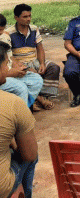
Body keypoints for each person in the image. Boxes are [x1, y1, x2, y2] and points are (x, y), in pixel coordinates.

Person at [0, 43, 38, 198]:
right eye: (6, 63)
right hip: (2, 187)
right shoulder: (13, 103)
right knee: (32, 157)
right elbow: (29, 155)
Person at [7, 4, 60, 110]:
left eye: (29, 16)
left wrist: (41, 63)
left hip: (33, 60)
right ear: (16, 18)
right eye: (25, 17)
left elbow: (40, 48)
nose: (29, 19)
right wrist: (24, 67)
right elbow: (9, 56)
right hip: (18, 63)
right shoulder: (9, 33)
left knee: (54, 68)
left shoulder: (34, 29)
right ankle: (39, 99)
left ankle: (42, 96)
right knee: (29, 74)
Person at [0, 14, 43, 109]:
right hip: (4, 76)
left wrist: (20, 66)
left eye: (2, 30)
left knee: (36, 79)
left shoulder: (3, 38)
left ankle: (26, 105)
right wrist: (10, 73)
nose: (1, 33)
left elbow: (10, 57)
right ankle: (22, 114)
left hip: (8, 73)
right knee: (20, 87)